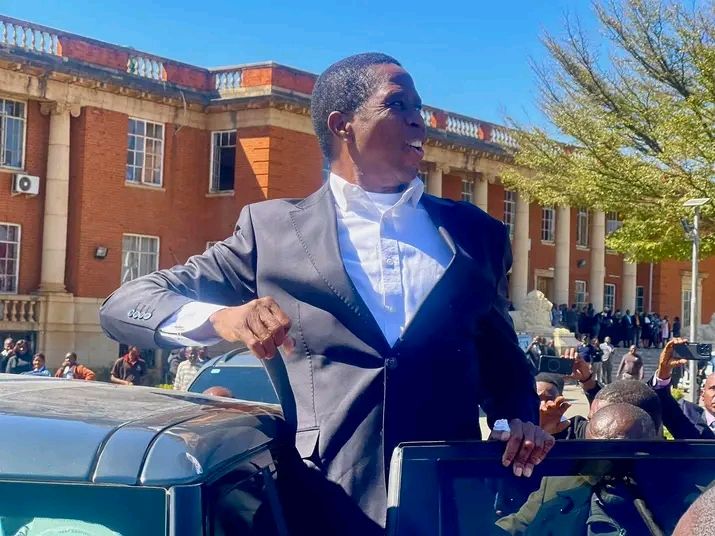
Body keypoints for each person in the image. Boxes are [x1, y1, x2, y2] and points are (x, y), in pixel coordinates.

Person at [99, 52, 552, 530]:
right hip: (321, 506)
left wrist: (514, 424)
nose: (419, 119)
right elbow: (123, 304)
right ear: (342, 125)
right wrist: (222, 318)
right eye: (397, 104)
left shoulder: (477, 234)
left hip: (450, 509)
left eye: (418, 106)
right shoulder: (270, 232)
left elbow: (503, 368)